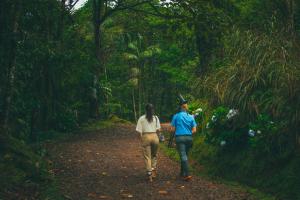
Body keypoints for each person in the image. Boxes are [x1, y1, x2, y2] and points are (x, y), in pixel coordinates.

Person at [170, 96, 197, 181]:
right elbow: (194, 130)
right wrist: (188, 132)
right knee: (185, 155)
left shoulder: (176, 116)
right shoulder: (191, 117)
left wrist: (175, 131)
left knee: (183, 155)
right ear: (185, 106)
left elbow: (172, 129)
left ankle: (187, 174)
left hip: (180, 138)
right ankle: (182, 172)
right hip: (189, 138)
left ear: (181, 106)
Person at [136, 103, 161, 182]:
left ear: (145, 110)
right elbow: (159, 130)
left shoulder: (141, 118)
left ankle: (149, 174)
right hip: (154, 136)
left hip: (146, 136)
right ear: (153, 110)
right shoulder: (156, 118)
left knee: (147, 157)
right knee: (154, 155)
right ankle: (153, 171)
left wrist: (141, 139)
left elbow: (139, 131)